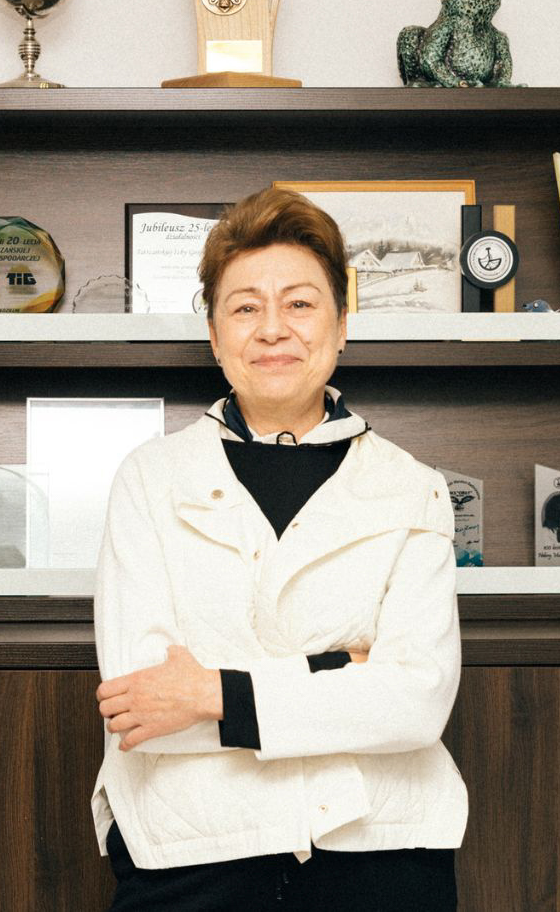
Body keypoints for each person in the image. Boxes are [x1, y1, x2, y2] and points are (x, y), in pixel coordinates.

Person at [91, 188, 467, 911]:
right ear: (213, 331)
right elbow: (144, 708)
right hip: (189, 853)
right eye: (244, 306)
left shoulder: (410, 487)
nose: (273, 329)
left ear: (342, 324)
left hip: (379, 849)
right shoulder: (149, 479)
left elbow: (416, 702)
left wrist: (212, 691)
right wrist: (335, 672)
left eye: (299, 303)